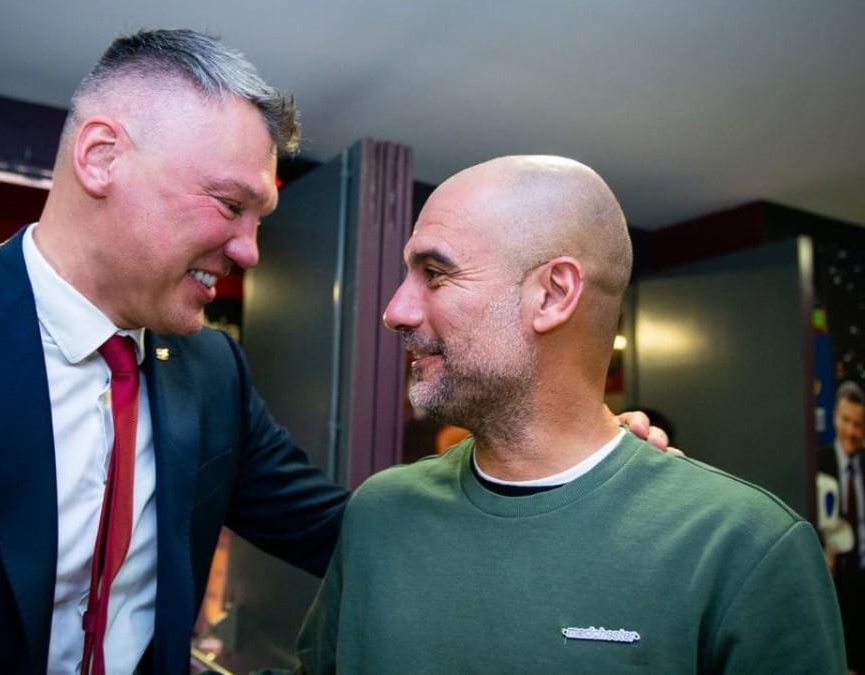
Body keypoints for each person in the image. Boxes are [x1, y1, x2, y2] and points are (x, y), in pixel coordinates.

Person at [0, 32, 668, 675]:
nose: (249, 251)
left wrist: (567, 469)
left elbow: (346, 529)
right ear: (101, 157)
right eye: (230, 205)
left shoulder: (210, 374)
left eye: (260, 216)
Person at [294, 155, 845, 673]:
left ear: (554, 294)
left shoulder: (743, 546)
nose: (395, 311)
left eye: (435, 273)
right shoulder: (379, 514)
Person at [819, 380, 864, 672]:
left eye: (858, 424)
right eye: (846, 420)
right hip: (831, 578)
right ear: (835, 417)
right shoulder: (817, 462)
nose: (851, 431)